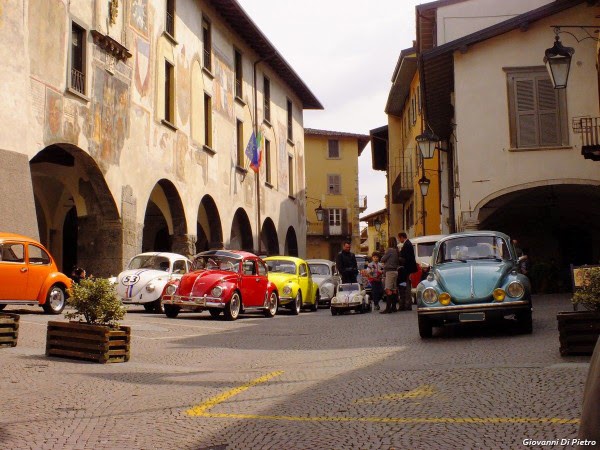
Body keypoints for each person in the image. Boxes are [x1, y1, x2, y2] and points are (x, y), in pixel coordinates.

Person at [397, 232, 417, 311]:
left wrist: (399, 258)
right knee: (406, 286)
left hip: (407, 270)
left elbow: (407, 258)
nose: (399, 240)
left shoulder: (407, 245)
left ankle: (407, 304)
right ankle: (407, 304)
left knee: (407, 287)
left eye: (399, 238)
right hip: (407, 269)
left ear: (402, 237)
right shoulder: (408, 244)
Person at [380, 236, 400, 314]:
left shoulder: (390, 250)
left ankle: (388, 308)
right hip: (395, 271)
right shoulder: (397, 250)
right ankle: (394, 307)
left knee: (388, 289)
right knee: (394, 289)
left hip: (390, 271)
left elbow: (382, 259)